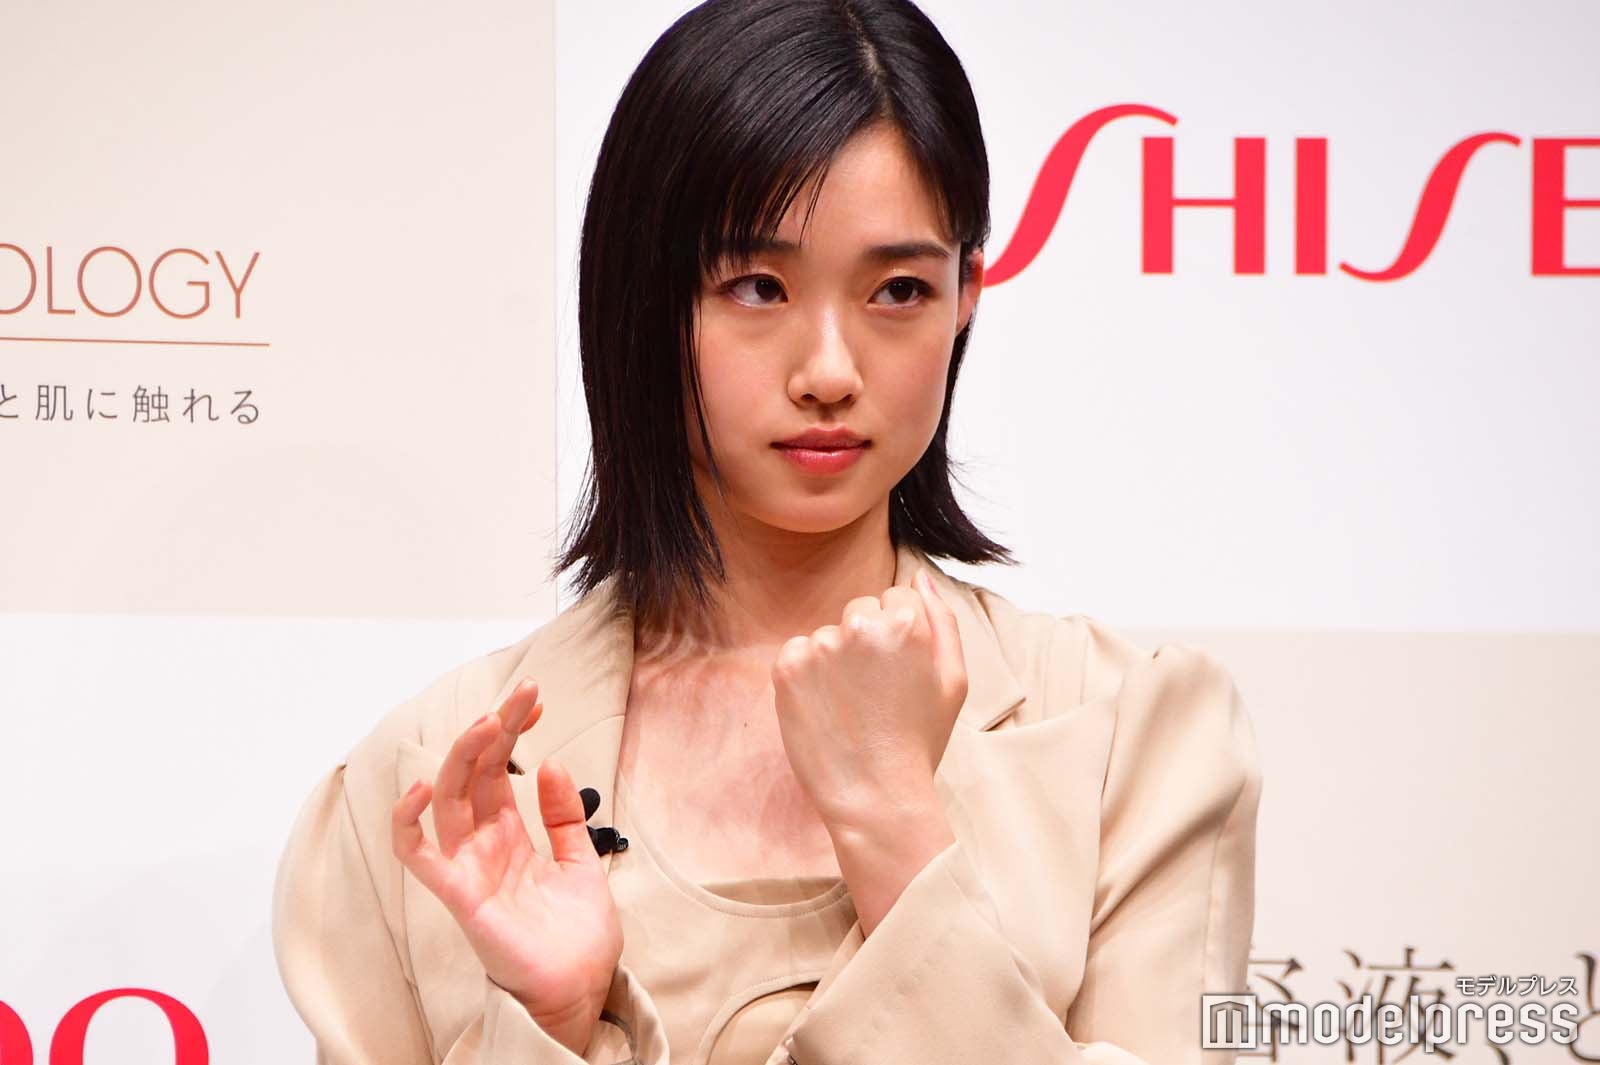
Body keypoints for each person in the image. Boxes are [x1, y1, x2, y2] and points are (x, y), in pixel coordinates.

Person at [270, 1, 1264, 1063]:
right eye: (757, 286)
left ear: (967, 293)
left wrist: (894, 830)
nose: (829, 370)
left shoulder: (1125, 737)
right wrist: (552, 1027)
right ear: (644, 298)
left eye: (899, 289)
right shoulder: (428, 786)